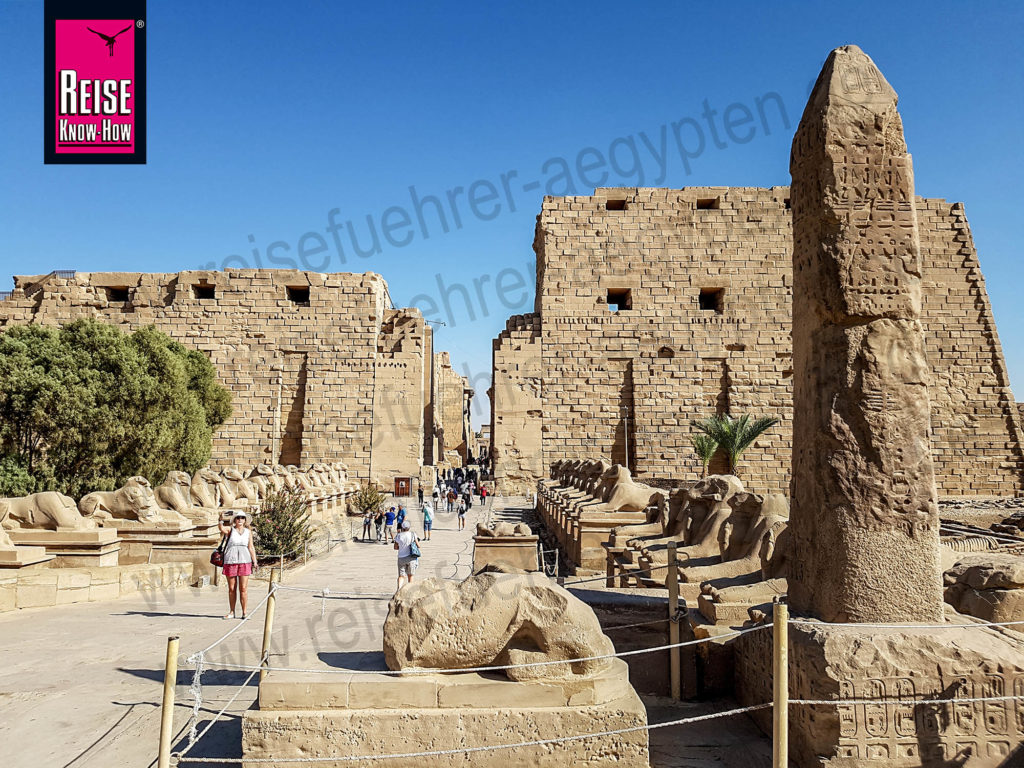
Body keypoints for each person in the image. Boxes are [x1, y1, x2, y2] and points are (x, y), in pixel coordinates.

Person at [218, 511, 257, 619]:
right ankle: (232, 611)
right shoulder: (230, 530)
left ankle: (244, 612)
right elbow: (221, 528)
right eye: (238, 518)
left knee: (243, 588)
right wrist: (221, 519)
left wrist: (255, 561)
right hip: (231, 560)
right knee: (232, 588)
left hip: (245, 560)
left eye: (242, 518)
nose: (240, 520)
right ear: (235, 520)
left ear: (245, 520)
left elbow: (251, 547)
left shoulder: (248, 532)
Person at [394, 520, 420, 590]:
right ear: (409, 527)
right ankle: (409, 591)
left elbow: (395, 547)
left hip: (401, 557)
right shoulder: (413, 534)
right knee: (410, 575)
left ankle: (399, 589)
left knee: (401, 576)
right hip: (411, 557)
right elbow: (418, 545)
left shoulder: (399, 535)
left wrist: (401, 547)